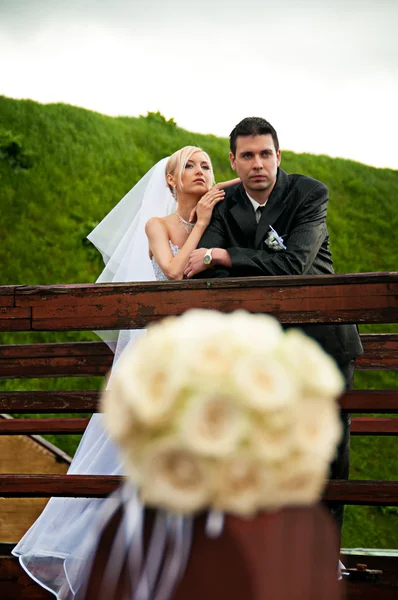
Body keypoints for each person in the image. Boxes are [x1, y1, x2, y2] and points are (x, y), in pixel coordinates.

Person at [12, 146, 232, 600]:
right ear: (170, 181)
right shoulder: (158, 226)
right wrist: (203, 228)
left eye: (206, 165)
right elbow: (172, 271)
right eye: (188, 165)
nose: (199, 171)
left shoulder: (227, 221)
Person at [184, 116, 364, 532]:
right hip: (263, 348)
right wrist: (218, 259)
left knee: (326, 453)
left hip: (323, 341)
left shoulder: (308, 194)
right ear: (233, 161)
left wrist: (228, 255)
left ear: (278, 156)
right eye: (247, 155)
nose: (258, 164)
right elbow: (207, 272)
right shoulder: (224, 208)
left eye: (266, 153)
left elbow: (295, 264)